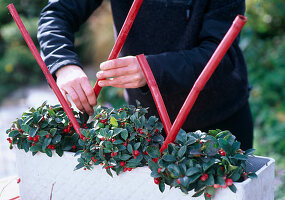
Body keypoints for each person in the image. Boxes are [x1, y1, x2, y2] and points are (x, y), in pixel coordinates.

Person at [38, 0, 253, 150]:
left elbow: (221, 54)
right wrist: (63, 65)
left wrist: (152, 69)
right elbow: (57, 13)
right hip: (146, 126)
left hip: (218, 123)